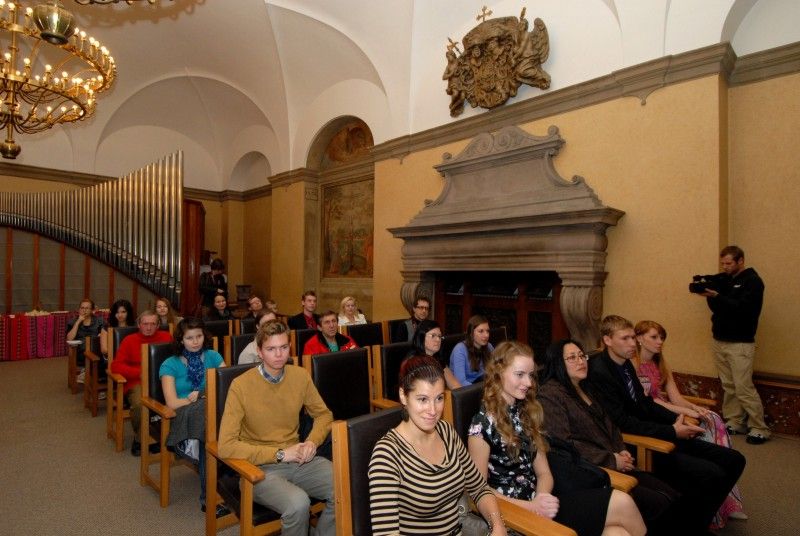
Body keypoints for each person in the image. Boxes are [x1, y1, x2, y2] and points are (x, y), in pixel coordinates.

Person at [588, 315, 746, 534]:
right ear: (607, 340)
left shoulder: (625, 364)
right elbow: (621, 422)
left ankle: (695, 521)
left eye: (633, 337)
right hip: (634, 443)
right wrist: (672, 430)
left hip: (655, 430)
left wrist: (675, 420)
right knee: (711, 473)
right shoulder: (599, 372)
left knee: (735, 459)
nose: (632, 344)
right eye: (625, 338)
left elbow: (645, 404)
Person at [469, 341, 645, 536]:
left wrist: (542, 498)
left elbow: (544, 473)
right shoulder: (481, 426)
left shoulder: (525, 412)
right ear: (498, 373)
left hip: (543, 503)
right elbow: (479, 490)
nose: (528, 383)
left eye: (530, 375)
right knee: (622, 502)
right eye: (519, 375)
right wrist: (532, 507)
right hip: (514, 514)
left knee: (617, 533)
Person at [538, 339, 679, 535]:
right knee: (659, 502)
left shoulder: (585, 386)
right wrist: (612, 459)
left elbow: (610, 425)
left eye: (582, 356)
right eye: (572, 357)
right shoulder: (550, 394)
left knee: (671, 495)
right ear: (557, 363)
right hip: (592, 471)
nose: (580, 361)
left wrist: (621, 449)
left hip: (616, 461)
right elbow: (564, 445)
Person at [218, 321, 335, 536]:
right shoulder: (241, 386)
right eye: (271, 349)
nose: (279, 354)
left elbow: (324, 415)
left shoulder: (300, 376)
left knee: (345, 486)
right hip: (259, 469)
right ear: (260, 352)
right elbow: (225, 446)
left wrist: (312, 441)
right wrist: (279, 454)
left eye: (283, 347)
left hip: (299, 459)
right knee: (298, 504)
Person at [369, 356, 508, 536]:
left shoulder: (446, 432)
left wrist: (497, 525)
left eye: (439, 398)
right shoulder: (386, 455)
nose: (433, 411)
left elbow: (479, 488)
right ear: (404, 396)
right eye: (422, 399)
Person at [633, 320, 746, 528]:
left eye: (662, 338)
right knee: (703, 429)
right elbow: (651, 402)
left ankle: (726, 498)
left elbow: (675, 397)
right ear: (639, 338)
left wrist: (695, 408)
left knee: (713, 419)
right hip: (657, 414)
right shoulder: (633, 366)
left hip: (667, 409)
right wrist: (686, 412)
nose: (660, 342)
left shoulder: (660, 363)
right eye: (654, 337)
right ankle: (713, 497)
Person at [695, 245, 769, 445]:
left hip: (740, 343)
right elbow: (718, 308)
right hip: (720, 340)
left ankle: (759, 427)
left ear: (740, 261)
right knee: (728, 385)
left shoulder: (753, 282)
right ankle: (735, 421)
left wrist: (718, 296)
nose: (725, 267)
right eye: (723, 263)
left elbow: (743, 310)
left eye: (729, 263)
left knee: (743, 387)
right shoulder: (725, 280)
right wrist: (712, 296)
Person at [159, 318, 226, 515]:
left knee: (210, 431)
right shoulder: (169, 364)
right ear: (181, 340)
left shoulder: (213, 356)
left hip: (213, 414)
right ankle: (210, 497)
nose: (195, 341)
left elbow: (229, 385)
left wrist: (203, 393)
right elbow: (172, 403)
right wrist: (201, 399)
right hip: (184, 416)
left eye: (198, 336)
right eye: (189, 338)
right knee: (208, 427)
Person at [109, 310, 173, 456]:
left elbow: (176, 359)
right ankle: (141, 440)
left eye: (152, 324)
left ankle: (170, 438)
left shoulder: (166, 337)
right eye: (145, 324)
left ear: (158, 325)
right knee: (139, 404)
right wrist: (140, 373)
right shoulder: (129, 340)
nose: (149, 327)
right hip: (136, 382)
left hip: (163, 381)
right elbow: (116, 366)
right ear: (139, 324)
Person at [409, 319, 461, 390]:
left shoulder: (437, 359)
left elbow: (455, 385)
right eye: (433, 336)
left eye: (439, 336)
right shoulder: (413, 362)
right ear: (421, 337)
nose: (438, 340)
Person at [66, 298, 104, 383]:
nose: (84, 310)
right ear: (79, 309)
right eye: (82, 308)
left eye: (87, 308)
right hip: (80, 353)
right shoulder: (73, 322)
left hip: (96, 351)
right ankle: (88, 372)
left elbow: (104, 334)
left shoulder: (99, 321)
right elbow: (69, 338)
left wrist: (101, 335)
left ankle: (88, 373)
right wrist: (78, 321)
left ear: (92, 310)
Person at [450, 315, 493, 386]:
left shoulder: (489, 346)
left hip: (483, 384)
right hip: (468, 388)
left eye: (487, 331)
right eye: (481, 331)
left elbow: (495, 371)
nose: (486, 335)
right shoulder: (460, 349)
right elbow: (461, 381)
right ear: (471, 333)